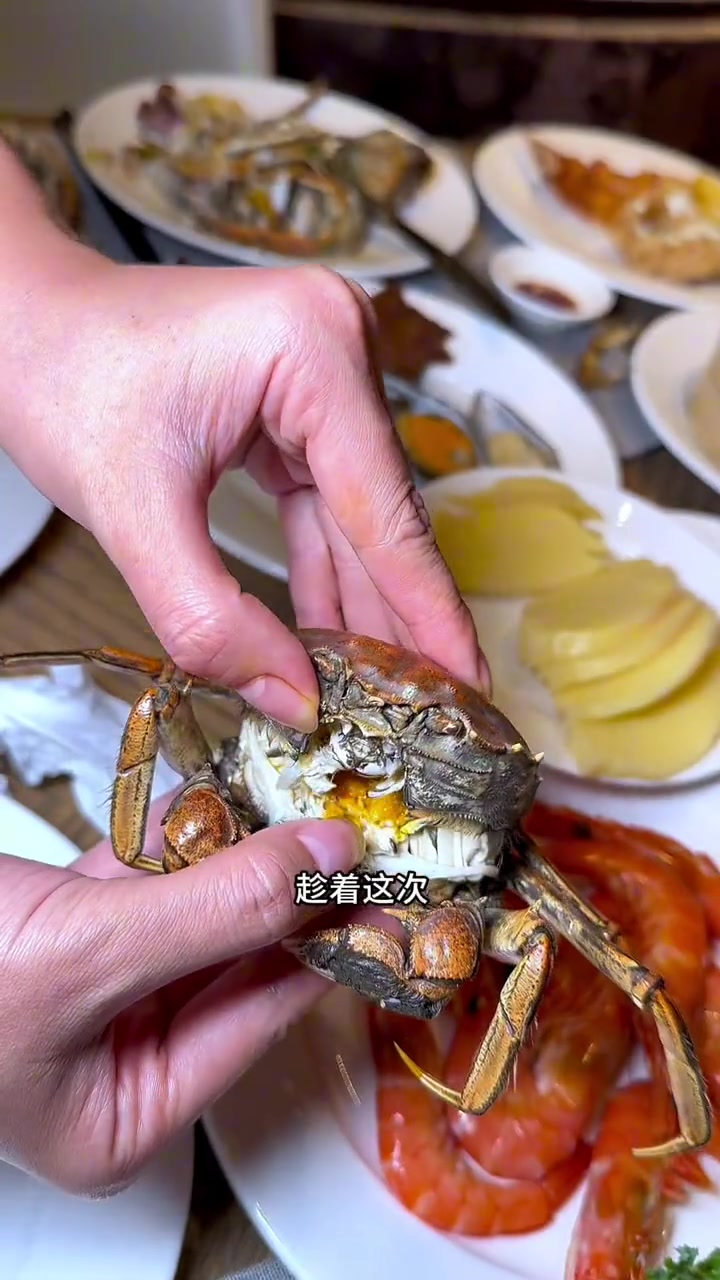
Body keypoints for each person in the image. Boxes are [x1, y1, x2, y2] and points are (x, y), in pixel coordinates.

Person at [0, 140, 487, 1196]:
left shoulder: (424, 859)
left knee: (433, 927)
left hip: (386, 884)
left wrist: (36, 299)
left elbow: (401, 903)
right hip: (319, 867)